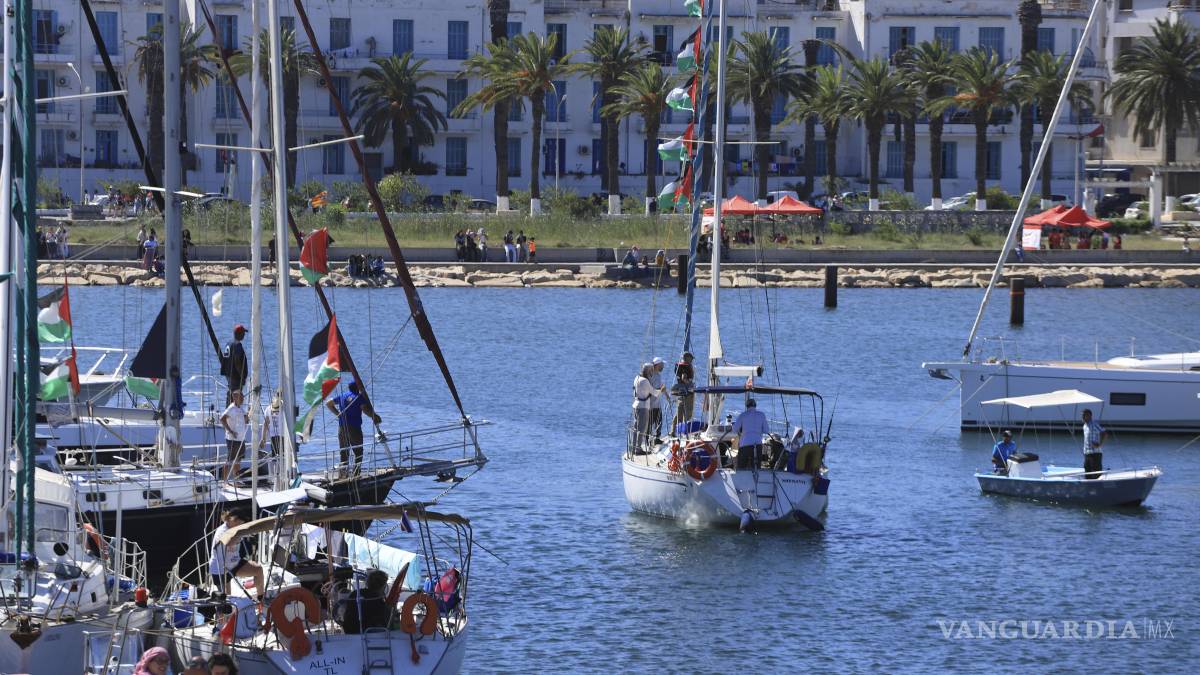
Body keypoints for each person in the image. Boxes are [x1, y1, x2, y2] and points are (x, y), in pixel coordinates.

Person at [326, 379, 381, 475]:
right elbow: (365, 410)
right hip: (354, 428)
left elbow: (328, 403)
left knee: (344, 452)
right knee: (358, 452)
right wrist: (375, 416)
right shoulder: (358, 397)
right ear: (357, 387)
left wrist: (338, 414)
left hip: (342, 427)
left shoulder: (342, 396)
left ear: (349, 387)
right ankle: (356, 473)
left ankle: (343, 474)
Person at [209, 509, 265, 600]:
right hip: (220, 569)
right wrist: (241, 534)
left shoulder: (236, 529)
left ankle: (260, 598)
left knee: (258, 569)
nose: (240, 525)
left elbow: (244, 532)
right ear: (233, 519)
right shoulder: (222, 531)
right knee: (226, 599)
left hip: (235, 564)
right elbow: (229, 542)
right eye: (240, 523)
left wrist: (251, 534)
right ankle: (223, 608)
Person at [342, 569, 391, 634]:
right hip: (366, 632)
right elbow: (384, 620)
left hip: (349, 630)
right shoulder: (377, 600)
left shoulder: (355, 593)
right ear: (382, 586)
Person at [732, 398, 769, 470]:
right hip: (757, 445)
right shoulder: (761, 415)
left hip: (745, 445)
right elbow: (766, 430)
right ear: (755, 406)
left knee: (741, 468)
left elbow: (734, 429)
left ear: (747, 406)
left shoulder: (743, 415)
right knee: (756, 468)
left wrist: (741, 430)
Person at [221, 390, 250, 481]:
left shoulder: (241, 408)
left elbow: (246, 421)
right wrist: (230, 431)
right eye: (241, 397)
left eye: (243, 397)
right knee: (229, 460)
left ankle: (236, 480)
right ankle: (224, 481)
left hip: (241, 439)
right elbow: (222, 419)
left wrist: (248, 414)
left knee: (238, 460)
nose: (242, 399)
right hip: (232, 439)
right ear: (235, 397)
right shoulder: (231, 408)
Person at [631, 363, 657, 452]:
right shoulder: (645, 381)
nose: (652, 372)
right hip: (643, 407)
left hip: (636, 405)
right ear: (648, 370)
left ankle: (633, 447)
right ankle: (638, 449)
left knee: (635, 428)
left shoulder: (637, 378)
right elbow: (654, 392)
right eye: (651, 370)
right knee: (642, 428)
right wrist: (661, 390)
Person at [222, 325, 249, 403]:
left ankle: (228, 408)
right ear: (239, 334)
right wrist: (242, 377)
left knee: (231, 395)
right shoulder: (237, 345)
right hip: (236, 377)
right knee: (236, 398)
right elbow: (237, 361)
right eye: (243, 333)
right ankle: (232, 410)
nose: (244, 335)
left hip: (229, 375)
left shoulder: (229, 343)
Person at [671, 352, 696, 430]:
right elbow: (683, 377)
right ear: (687, 358)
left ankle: (674, 430)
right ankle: (685, 430)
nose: (692, 360)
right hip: (687, 392)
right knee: (688, 413)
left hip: (680, 391)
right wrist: (690, 383)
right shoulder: (686, 367)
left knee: (679, 412)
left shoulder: (679, 366)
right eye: (691, 359)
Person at [1081, 408, 1106, 479]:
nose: (1082, 417)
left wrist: (1100, 444)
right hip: (1087, 453)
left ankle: (1098, 485)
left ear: (1089, 416)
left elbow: (1104, 433)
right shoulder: (1084, 426)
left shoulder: (1094, 424)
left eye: (1084, 415)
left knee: (1096, 473)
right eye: (1082, 416)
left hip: (1095, 453)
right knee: (1087, 473)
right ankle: (1088, 484)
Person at [648, 357, 668, 437]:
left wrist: (667, 396)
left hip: (658, 404)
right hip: (651, 405)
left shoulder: (658, 375)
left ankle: (657, 438)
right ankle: (647, 439)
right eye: (662, 365)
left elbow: (661, 386)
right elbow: (651, 389)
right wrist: (660, 390)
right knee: (650, 424)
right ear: (657, 365)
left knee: (659, 423)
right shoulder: (651, 376)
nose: (663, 367)